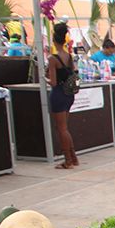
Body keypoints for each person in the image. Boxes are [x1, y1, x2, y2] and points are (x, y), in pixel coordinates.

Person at [46, 22, 79, 169]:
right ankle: (73, 157)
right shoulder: (69, 56)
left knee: (61, 129)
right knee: (65, 127)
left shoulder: (53, 59)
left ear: (53, 41)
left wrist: (44, 77)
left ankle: (68, 160)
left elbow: (52, 82)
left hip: (58, 93)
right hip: (68, 94)